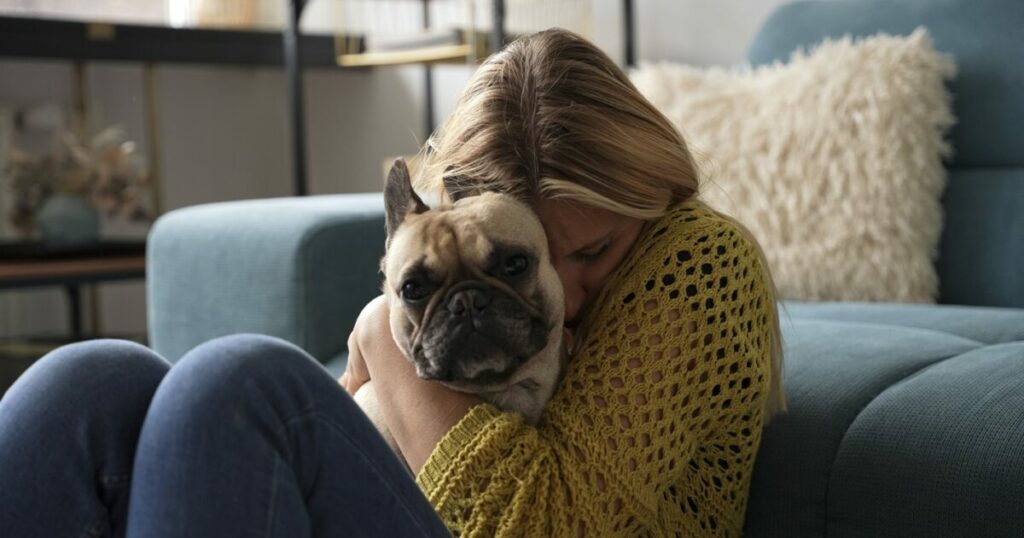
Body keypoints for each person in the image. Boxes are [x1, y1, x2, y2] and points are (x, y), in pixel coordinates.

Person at [0, 29, 782, 537]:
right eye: (540, 255)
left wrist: (383, 326)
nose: (570, 299)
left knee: (242, 384)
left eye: (595, 252)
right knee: (90, 382)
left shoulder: (699, 260)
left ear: (649, 191)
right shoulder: (452, 246)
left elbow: (544, 526)